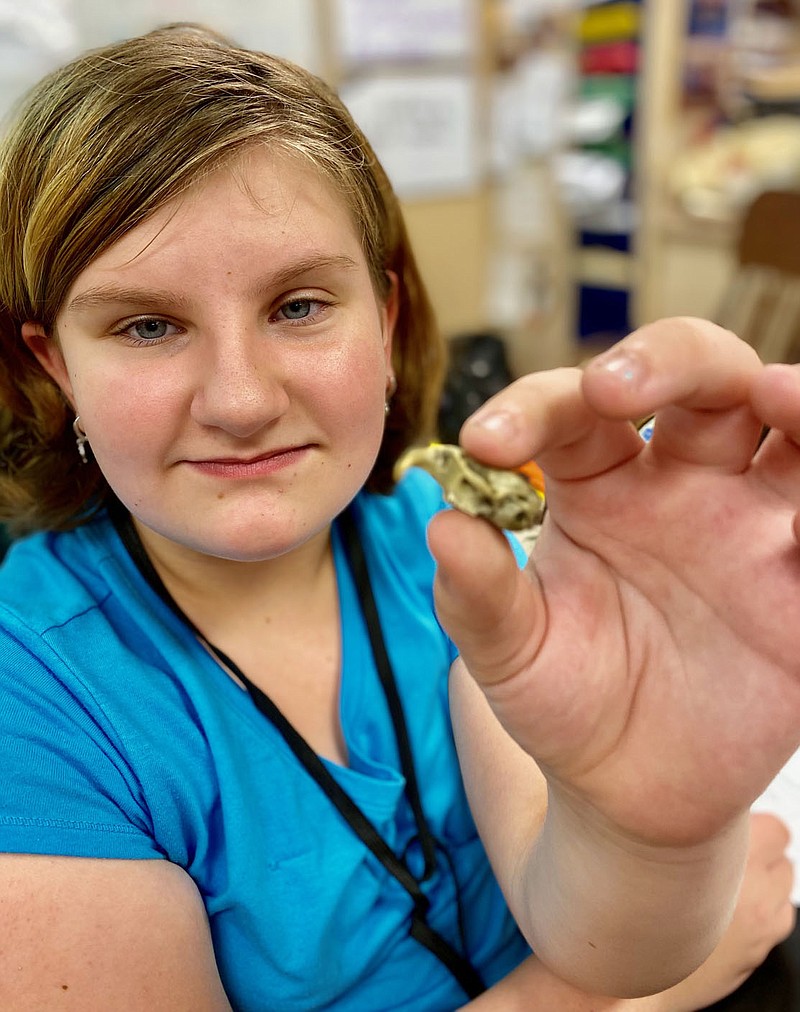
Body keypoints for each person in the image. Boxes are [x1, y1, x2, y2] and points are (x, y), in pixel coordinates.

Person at [0, 23, 797, 1011]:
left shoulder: (431, 535)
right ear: (55, 364)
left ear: (381, 322)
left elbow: (592, 930)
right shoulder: (34, 699)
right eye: (147, 325)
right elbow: (616, 987)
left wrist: (651, 838)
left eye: (296, 306)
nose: (240, 400)